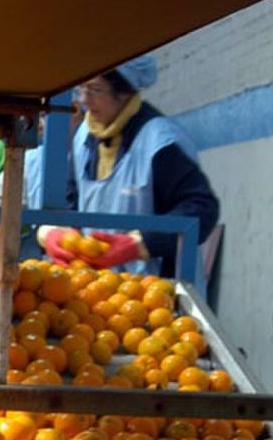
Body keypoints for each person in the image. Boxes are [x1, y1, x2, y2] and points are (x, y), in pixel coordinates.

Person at [40, 56, 219, 276]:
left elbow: (201, 209)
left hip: (153, 286)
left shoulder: (161, 141)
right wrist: (55, 233)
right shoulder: (83, 138)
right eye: (82, 89)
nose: (85, 99)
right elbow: (70, 202)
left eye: (95, 90)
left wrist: (138, 244)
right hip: (99, 283)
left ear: (124, 92)